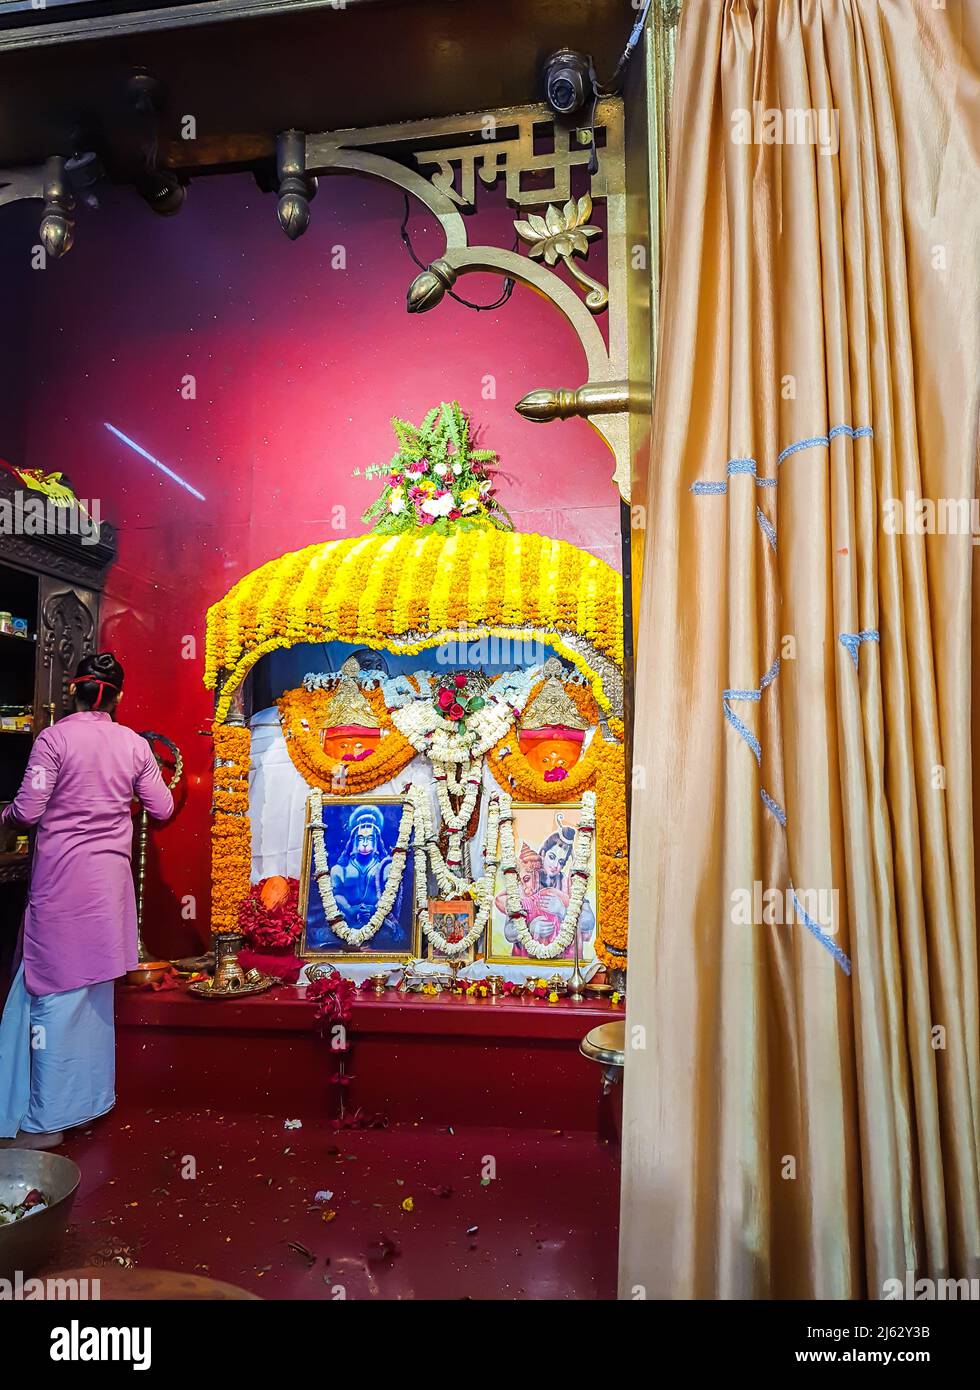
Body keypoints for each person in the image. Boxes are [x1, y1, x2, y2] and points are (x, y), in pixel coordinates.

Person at [0, 652, 174, 1149]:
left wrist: (7, 816)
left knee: (52, 993)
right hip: (110, 888)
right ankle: (86, 1104)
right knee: (93, 994)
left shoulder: (54, 739)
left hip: (63, 883)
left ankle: (46, 1123)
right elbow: (160, 807)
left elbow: (29, 810)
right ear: (117, 696)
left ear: (71, 692)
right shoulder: (133, 744)